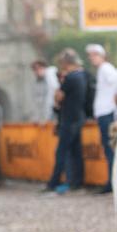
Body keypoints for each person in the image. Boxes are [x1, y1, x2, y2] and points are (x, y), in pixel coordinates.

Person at [44, 49, 87, 194]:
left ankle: (53, 183)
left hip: (68, 119)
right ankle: (77, 183)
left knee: (61, 152)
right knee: (76, 152)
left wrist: (59, 86)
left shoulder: (70, 78)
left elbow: (58, 98)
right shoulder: (82, 76)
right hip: (79, 118)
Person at [86, 43, 117, 194]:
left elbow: (116, 84)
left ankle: (112, 183)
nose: (91, 58)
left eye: (94, 55)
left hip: (107, 113)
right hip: (103, 113)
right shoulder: (103, 70)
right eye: (90, 55)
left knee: (110, 149)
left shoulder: (106, 69)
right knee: (107, 149)